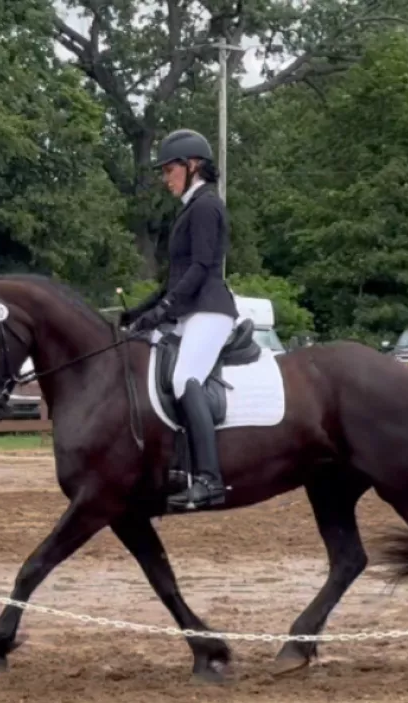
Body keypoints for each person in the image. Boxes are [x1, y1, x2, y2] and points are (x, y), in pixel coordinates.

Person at [119, 128, 239, 510]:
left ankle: (209, 479)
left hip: (210, 309)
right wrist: (138, 313)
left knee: (184, 378)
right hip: (190, 309)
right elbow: (173, 277)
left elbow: (202, 267)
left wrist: (165, 311)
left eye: (169, 169)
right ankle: (170, 467)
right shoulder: (190, 207)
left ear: (192, 166)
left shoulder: (206, 205)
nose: (164, 177)